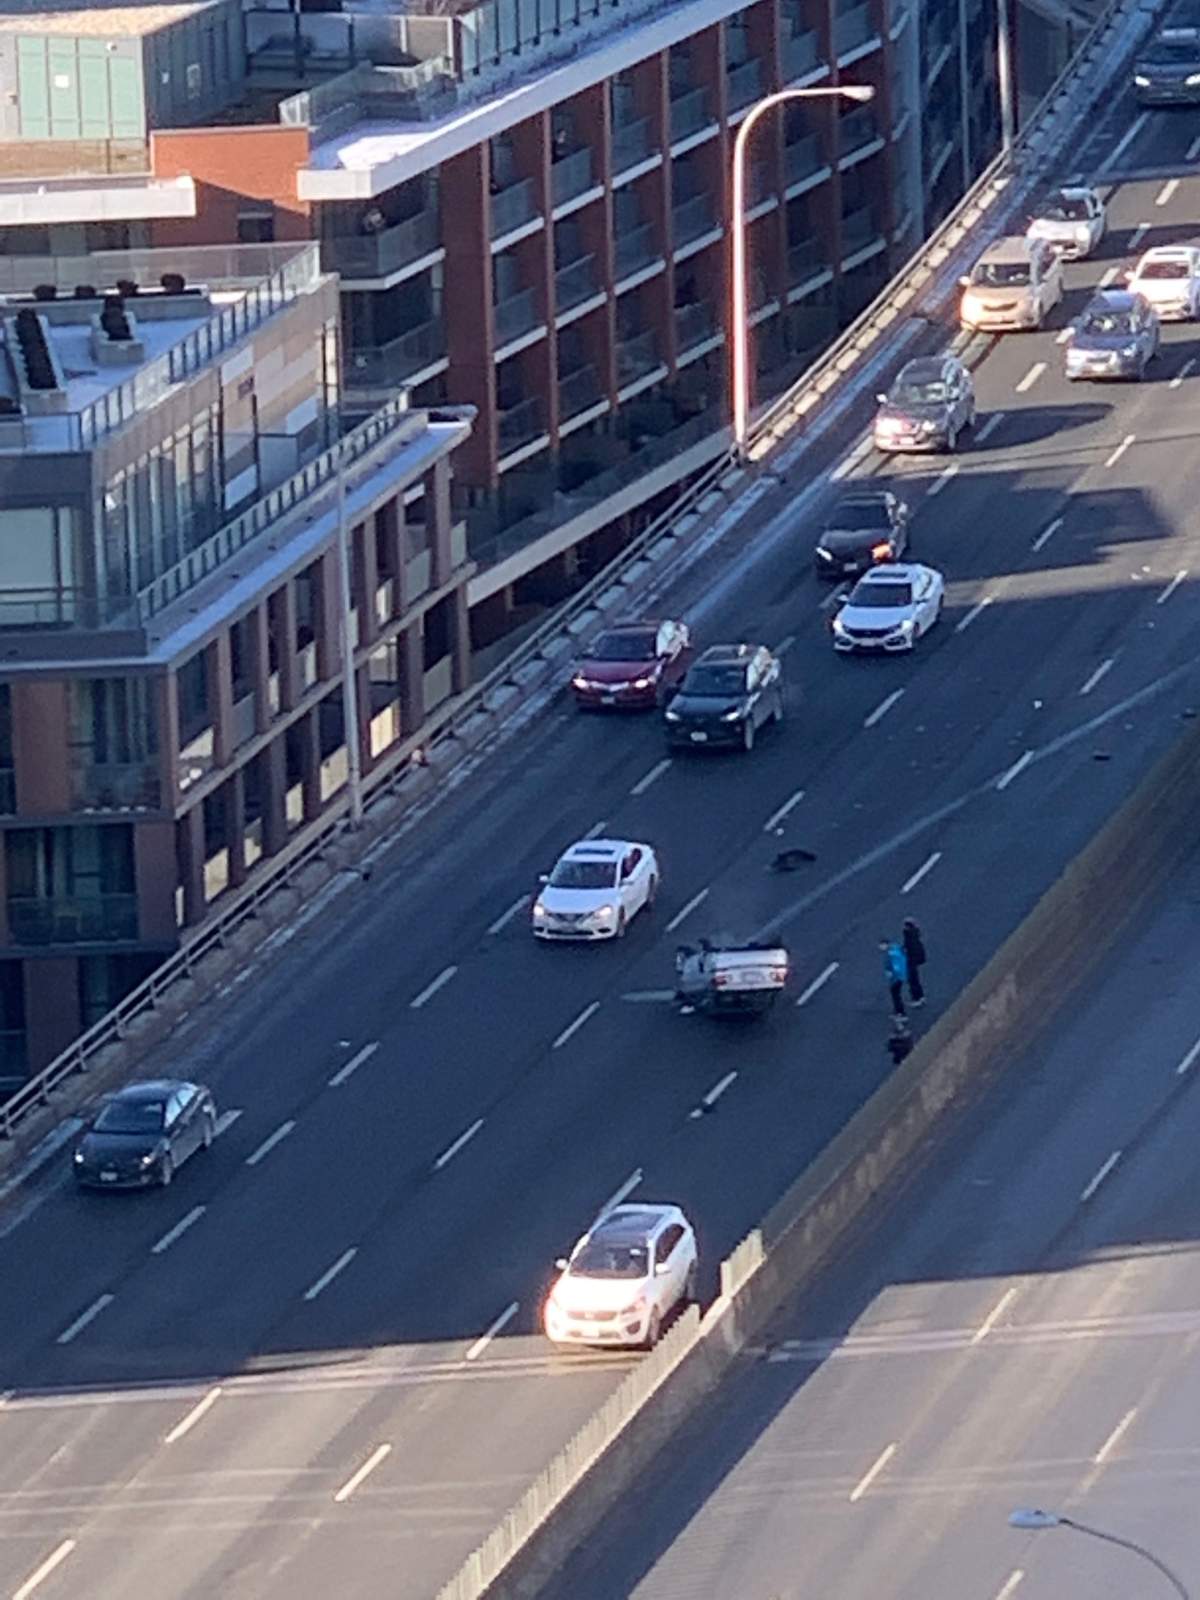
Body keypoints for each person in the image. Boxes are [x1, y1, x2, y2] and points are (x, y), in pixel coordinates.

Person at [880, 937, 908, 1017]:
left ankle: (900, 1012)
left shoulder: (891, 953)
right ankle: (898, 1011)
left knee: (896, 995)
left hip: (896, 978)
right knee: (896, 994)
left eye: (882, 945)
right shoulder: (896, 948)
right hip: (900, 975)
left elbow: (895, 966)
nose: (881, 947)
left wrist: (892, 974)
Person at [902, 918, 927, 1006]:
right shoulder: (914, 934)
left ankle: (916, 999)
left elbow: (908, 948)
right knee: (915, 979)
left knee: (912, 980)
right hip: (914, 960)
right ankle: (921, 996)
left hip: (911, 960)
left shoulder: (909, 936)